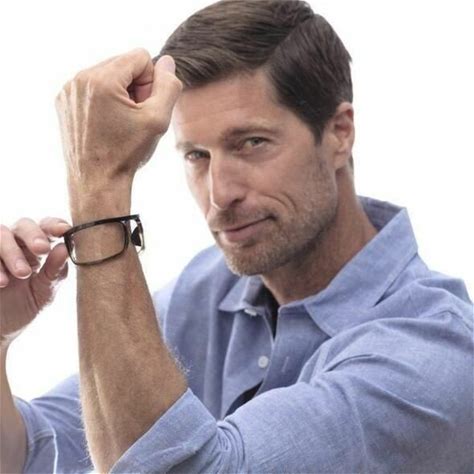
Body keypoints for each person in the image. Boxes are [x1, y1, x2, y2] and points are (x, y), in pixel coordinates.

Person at [1, 0, 473, 472]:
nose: (220, 194)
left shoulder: (434, 357)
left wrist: (99, 186)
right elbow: (37, 453)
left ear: (339, 133)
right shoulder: (207, 290)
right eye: (196, 155)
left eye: (251, 143)